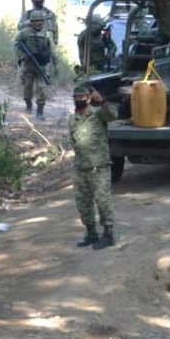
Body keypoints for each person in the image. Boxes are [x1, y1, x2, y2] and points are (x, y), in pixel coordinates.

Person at [69, 84, 118, 250]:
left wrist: (102, 101)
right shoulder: (72, 119)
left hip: (99, 166)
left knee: (102, 200)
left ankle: (108, 234)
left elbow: (113, 115)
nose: (78, 100)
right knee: (83, 202)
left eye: (81, 97)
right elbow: (73, 142)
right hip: (81, 167)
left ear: (89, 98)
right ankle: (91, 233)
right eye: (75, 97)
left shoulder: (97, 114)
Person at [15, 9, 57, 120]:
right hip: (28, 65)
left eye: (40, 21)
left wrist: (56, 64)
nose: (39, 23)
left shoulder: (47, 34)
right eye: (36, 21)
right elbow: (16, 45)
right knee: (27, 87)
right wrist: (23, 56)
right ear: (31, 22)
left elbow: (52, 49)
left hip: (42, 65)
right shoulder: (24, 33)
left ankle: (40, 112)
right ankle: (28, 103)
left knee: (41, 88)